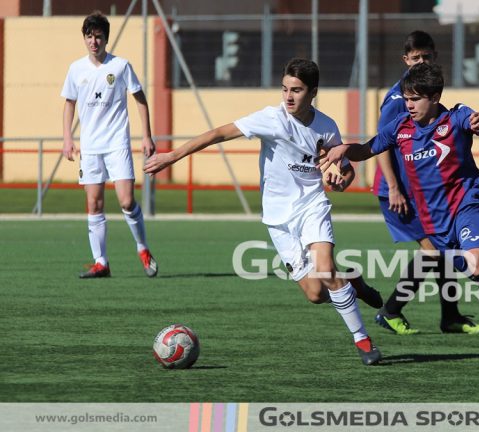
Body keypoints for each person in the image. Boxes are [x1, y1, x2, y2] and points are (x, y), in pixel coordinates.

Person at [319, 63, 479, 358]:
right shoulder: (400, 128)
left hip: (467, 206)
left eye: (415, 99)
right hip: (436, 225)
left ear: (434, 97)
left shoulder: (456, 118)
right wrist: (344, 149)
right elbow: (367, 150)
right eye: (406, 98)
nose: (409, 105)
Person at [144, 58, 383, 365]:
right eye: (284, 89)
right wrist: (172, 156)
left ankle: (363, 341)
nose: (288, 96)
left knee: (325, 268)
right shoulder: (271, 119)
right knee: (315, 293)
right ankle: (353, 281)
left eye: (296, 90)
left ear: (313, 93)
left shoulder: (326, 126)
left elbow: (346, 171)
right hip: (278, 218)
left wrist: (340, 181)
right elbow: (219, 133)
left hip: (312, 205)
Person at [372, 30, 479, 336]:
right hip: (399, 189)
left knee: (441, 250)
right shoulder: (400, 98)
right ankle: (392, 310)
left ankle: (448, 315)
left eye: (426, 56)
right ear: (405, 60)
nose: (420, 61)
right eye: (415, 58)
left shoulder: (424, 90)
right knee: (435, 251)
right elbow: (381, 143)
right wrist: (394, 187)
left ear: (434, 57)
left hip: (420, 189)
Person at [61, 11, 158, 279]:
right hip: (90, 147)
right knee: (94, 204)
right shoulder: (76, 69)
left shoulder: (121, 66)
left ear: (106, 39)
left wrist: (147, 135)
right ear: (85, 38)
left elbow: (140, 99)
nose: (94, 42)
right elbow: (69, 104)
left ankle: (142, 248)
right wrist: (68, 138)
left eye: (99, 37)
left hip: (117, 144)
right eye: (90, 37)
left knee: (126, 201)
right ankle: (101, 262)